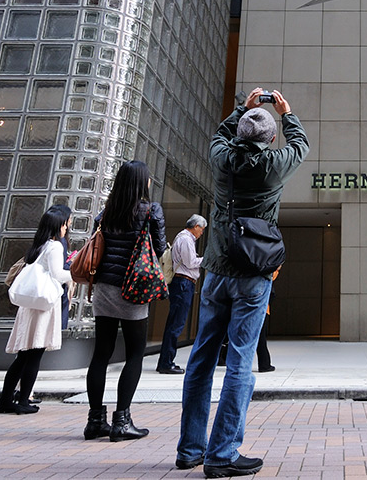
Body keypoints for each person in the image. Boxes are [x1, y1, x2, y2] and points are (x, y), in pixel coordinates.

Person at [176, 88, 308, 478]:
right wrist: (287, 113)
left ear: (239, 133)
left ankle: (190, 449)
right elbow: (300, 145)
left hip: (216, 270)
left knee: (201, 358)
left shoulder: (221, 159)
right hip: (253, 274)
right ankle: (222, 454)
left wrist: (241, 110)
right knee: (239, 364)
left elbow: (220, 135)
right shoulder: (273, 165)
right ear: (271, 138)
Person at [83, 160, 167, 442]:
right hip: (133, 288)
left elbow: (96, 245)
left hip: (104, 289)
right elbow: (159, 248)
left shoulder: (106, 212)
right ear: (142, 182)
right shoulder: (151, 210)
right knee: (134, 353)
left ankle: (95, 421)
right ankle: (122, 421)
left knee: (101, 354)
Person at [0, 203, 73, 414]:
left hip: (30, 304)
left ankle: (5, 400)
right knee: (35, 355)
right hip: (43, 306)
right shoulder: (55, 246)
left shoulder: (38, 245)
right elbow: (58, 274)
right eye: (65, 224)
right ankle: (23, 401)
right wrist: (77, 272)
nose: (66, 228)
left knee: (23, 356)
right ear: (58, 226)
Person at [157, 214, 207, 374]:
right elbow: (190, 262)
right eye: (202, 229)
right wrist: (207, 259)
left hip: (182, 283)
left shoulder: (184, 238)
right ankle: (166, 363)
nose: (202, 233)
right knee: (176, 325)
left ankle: (165, 361)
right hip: (183, 283)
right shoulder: (185, 239)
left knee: (174, 324)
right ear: (196, 226)